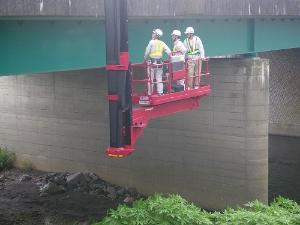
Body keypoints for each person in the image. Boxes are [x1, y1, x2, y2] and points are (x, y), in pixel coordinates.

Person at [144, 29, 171, 95]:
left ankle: (150, 93)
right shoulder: (162, 43)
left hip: (152, 63)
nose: (152, 34)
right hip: (159, 63)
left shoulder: (151, 42)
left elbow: (147, 52)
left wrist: (144, 59)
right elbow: (169, 52)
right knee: (159, 78)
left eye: (153, 33)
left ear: (156, 35)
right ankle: (160, 92)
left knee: (150, 79)